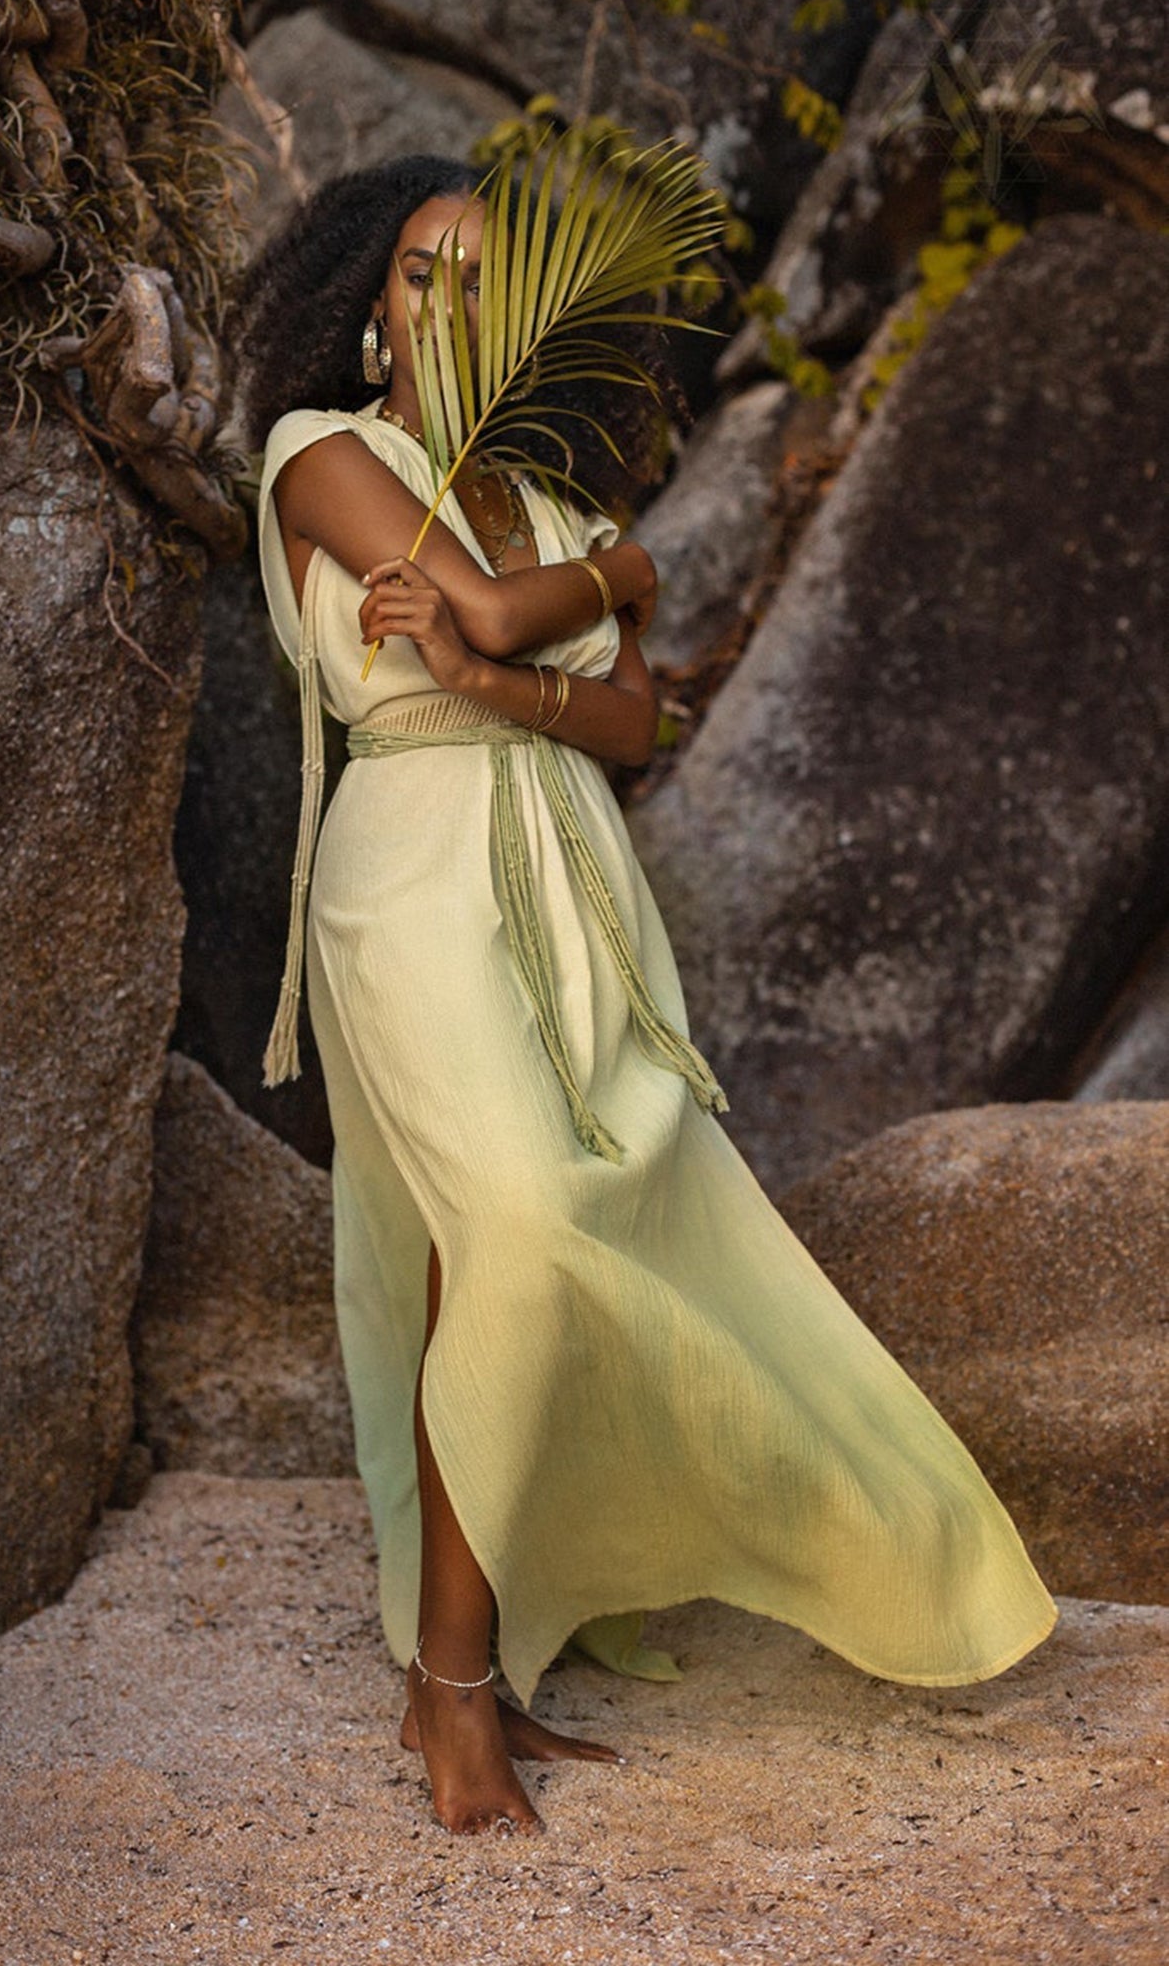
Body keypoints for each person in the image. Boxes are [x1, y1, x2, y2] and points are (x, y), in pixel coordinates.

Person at [232, 154, 1057, 1837]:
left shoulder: (546, 502)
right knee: (522, 1233)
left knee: (536, 1245)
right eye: (415, 275)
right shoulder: (327, 455)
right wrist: (605, 589)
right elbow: (482, 605)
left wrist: (508, 653)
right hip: (406, 876)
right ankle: (453, 1688)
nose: (445, 306)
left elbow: (634, 729)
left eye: (486, 280)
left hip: (566, 876)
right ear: (365, 311)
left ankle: (463, 1669)